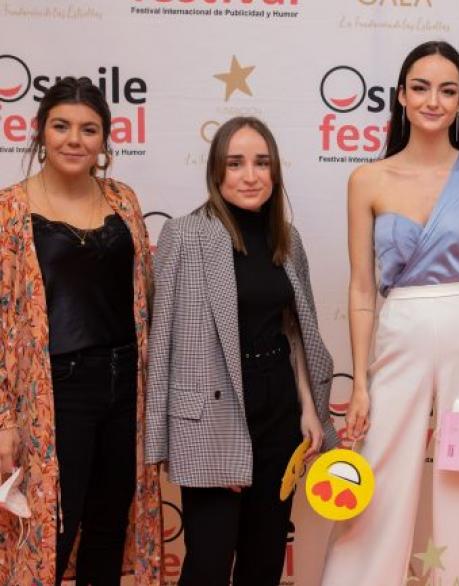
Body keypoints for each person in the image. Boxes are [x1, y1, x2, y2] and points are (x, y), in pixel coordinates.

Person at [320, 40, 459, 586]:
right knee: (377, 473)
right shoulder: (367, 179)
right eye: (422, 87)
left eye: (447, 91)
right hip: (399, 327)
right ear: (401, 96)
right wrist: (361, 383)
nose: (434, 100)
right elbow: (362, 289)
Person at [144, 116, 337, 586]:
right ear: (216, 172)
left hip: (278, 411)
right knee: (208, 566)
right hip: (212, 415)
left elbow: (295, 330)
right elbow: (162, 341)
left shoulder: (286, 239)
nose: (250, 176)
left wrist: (310, 410)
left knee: (264, 561)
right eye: (235, 164)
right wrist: (165, 440)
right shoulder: (185, 235)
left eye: (261, 163)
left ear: (275, 171)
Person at [0, 77, 162, 585]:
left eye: (88, 129)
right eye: (62, 126)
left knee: (110, 526)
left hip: (125, 386)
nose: (75, 139)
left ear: (104, 140)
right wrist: (4, 419)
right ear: (40, 132)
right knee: (52, 531)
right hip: (55, 392)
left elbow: (145, 297)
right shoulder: (9, 210)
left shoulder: (124, 200)